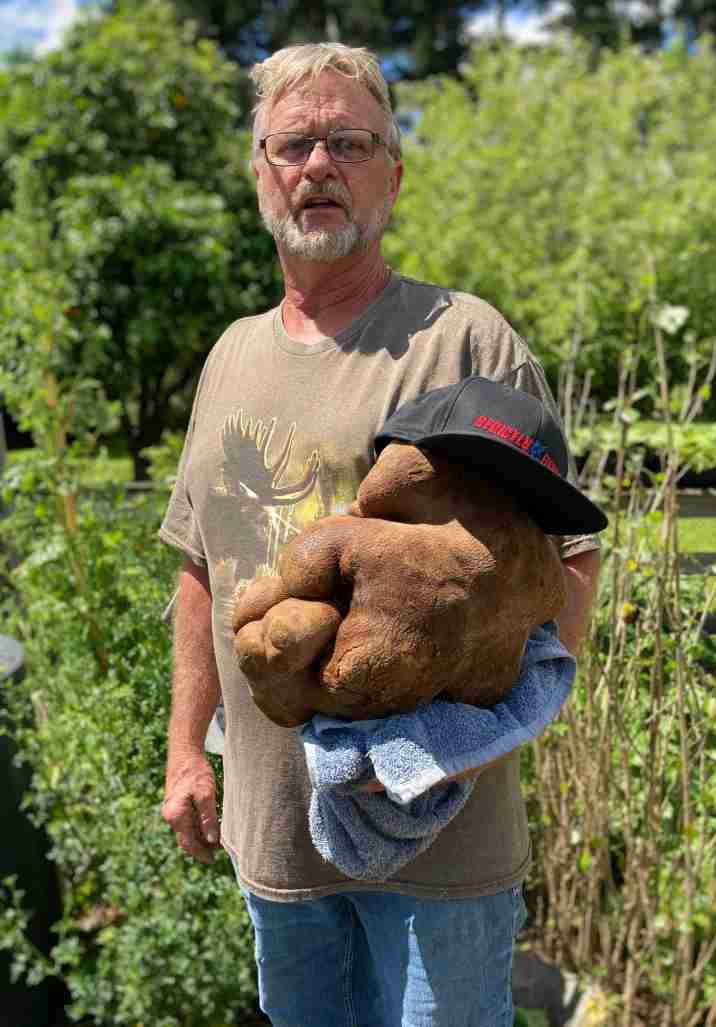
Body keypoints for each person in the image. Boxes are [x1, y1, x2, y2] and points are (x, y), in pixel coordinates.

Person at [160, 42, 601, 1027]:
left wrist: (485, 732)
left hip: (436, 842)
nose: (318, 166)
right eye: (294, 144)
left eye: (350, 144)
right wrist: (186, 750)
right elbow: (199, 568)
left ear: (391, 177)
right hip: (274, 832)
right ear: (258, 172)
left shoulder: (463, 341)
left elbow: (565, 563)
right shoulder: (230, 355)